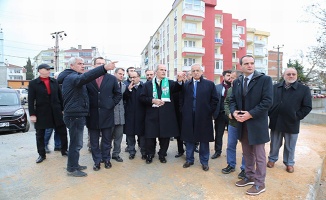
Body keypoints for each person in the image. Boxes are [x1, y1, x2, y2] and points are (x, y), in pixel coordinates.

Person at [57, 57, 117, 177]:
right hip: (74, 116)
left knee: (78, 143)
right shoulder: (72, 77)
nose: (83, 66)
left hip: (77, 115)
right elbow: (84, 78)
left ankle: (75, 165)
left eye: (84, 63)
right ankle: (72, 169)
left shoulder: (72, 76)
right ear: (72, 66)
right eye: (79, 64)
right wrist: (104, 68)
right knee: (76, 144)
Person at [230, 55, 273, 195]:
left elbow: (267, 101)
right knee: (247, 153)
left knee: (259, 156)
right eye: (246, 63)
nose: (250, 65)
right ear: (241, 66)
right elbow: (232, 100)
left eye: (252, 63)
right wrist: (234, 112)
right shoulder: (237, 82)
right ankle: (249, 176)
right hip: (242, 124)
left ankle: (260, 184)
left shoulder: (264, 80)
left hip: (257, 124)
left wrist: (250, 114)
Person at [267, 68, 312, 173]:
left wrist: (296, 116)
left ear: (297, 75)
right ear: (284, 75)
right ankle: (272, 159)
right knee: (274, 143)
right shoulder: (275, 87)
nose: (291, 76)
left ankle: (289, 163)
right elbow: (268, 102)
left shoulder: (304, 89)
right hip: (276, 121)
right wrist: (271, 114)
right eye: (288, 74)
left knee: (290, 145)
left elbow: (307, 107)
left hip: (292, 122)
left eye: (293, 74)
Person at [140, 64, 184, 164]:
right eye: (161, 70)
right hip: (152, 115)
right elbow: (142, 98)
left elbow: (178, 88)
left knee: (165, 137)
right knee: (150, 137)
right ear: (156, 72)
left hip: (166, 115)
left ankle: (162, 154)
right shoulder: (148, 84)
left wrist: (180, 81)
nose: (164, 71)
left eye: (165, 70)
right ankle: (150, 154)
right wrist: (152, 100)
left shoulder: (170, 83)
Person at [86, 57, 122, 171]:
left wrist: (111, 104)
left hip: (107, 115)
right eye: (98, 63)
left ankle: (106, 159)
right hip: (92, 115)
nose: (101, 65)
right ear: (93, 66)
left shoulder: (111, 79)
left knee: (107, 140)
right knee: (94, 141)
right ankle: (97, 161)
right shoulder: (87, 78)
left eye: (103, 63)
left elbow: (118, 94)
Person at [180, 63, 218, 171]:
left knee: (204, 139)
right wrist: (182, 110)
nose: (196, 73)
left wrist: (209, 111)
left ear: (202, 72)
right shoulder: (186, 85)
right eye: (193, 71)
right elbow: (181, 99)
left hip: (203, 116)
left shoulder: (209, 84)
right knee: (189, 138)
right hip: (188, 115)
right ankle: (189, 159)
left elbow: (215, 100)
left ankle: (204, 161)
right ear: (191, 73)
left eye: (198, 70)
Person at [28, 64, 68, 163]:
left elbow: (60, 97)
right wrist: (32, 114)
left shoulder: (54, 81)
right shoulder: (33, 83)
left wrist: (63, 109)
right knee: (40, 134)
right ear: (40, 70)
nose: (49, 70)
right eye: (47, 69)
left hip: (56, 111)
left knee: (62, 131)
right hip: (41, 112)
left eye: (49, 69)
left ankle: (64, 150)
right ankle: (41, 154)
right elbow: (30, 100)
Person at [222, 70, 246, 179]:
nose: (230, 80)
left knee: (246, 147)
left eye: (233, 78)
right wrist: (229, 113)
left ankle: (245, 168)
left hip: (246, 123)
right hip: (233, 123)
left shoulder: (248, 89)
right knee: (231, 145)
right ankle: (231, 165)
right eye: (230, 78)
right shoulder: (231, 89)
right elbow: (226, 103)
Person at [123, 71, 147, 160]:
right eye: (130, 77)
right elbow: (123, 98)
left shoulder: (144, 86)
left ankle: (144, 152)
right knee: (130, 135)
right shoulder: (127, 87)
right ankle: (131, 151)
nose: (132, 79)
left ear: (139, 77)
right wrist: (129, 90)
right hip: (130, 115)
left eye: (134, 77)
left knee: (142, 136)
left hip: (142, 115)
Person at [212, 70, 232, 159]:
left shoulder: (235, 88)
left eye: (231, 76)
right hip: (219, 114)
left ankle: (231, 152)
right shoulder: (217, 87)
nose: (230, 78)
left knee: (232, 135)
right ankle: (217, 151)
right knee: (218, 134)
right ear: (223, 77)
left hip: (231, 115)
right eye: (228, 75)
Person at [44, 71, 63, 153]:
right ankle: (44, 145)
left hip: (58, 111)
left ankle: (58, 145)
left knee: (58, 129)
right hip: (49, 111)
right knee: (49, 129)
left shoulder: (61, 86)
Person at [111, 68, 126, 162]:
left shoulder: (124, 85)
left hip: (121, 115)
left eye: (123, 74)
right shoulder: (109, 84)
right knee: (107, 137)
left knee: (119, 137)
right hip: (110, 115)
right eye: (120, 73)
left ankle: (116, 154)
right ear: (115, 73)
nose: (122, 75)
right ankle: (104, 154)